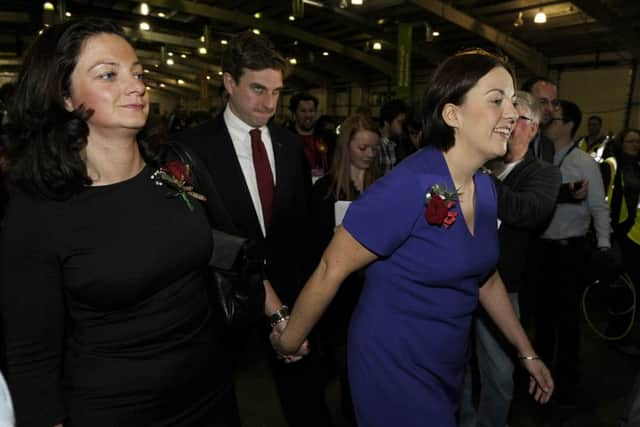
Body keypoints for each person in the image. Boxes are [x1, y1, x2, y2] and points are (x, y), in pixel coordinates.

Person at [271, 49, 554, 427]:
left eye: (513, 101)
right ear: (452, 114)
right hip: (392, 364)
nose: (513, 113)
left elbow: (485, 276)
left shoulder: (485, 189)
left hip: (445, 362)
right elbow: (330, 268)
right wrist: (290, 340)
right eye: (496, 100)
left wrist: (527, 353)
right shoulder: (407, 186)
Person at [0, 19, 241, 427]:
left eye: (138, 73)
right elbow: (31, 354)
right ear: (64, 96)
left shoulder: (166, 174)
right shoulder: (37, 210)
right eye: (109, 74)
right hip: (117, 409)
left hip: (211, 393)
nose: (136, 86)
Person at [172, 31, 330, 427]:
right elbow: (198, 238)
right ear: (229, 82)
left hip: (291, 300)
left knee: (306, 403)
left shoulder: (290, 146)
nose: (270, 104)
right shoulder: (190, 149)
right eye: (258, 89)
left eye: (277, 92)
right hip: (222, 305)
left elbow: (301, 231)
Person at [459, 91, 561, 427]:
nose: (502, 123)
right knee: (455, 367)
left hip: (504, 288)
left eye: (512, 119)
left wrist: (477, 176)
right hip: (460, 283)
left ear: (532, 128)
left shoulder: (543, 173)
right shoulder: (485, 165)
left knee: (499, 377)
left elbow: (528, 212)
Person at [306, 114, 382, 424]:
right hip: (338, 295)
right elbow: (312, 248)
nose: (369, 154)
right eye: (362, 147)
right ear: (345, 147)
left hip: (375, 292)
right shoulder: (324, 190)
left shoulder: (382, 187)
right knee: (343, 365)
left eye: (374, 149)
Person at [536, 99, 611, 407]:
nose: (546, 125)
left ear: (568, 125)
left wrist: (604, 245)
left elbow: (597, 206)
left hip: (569, 252)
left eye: (552, 120)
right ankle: (537, 377)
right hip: (539, 249)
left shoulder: (583, 162)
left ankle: (566, 384)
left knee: (566, 320)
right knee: (541, 320)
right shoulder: (539, 158)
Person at [601, 128, 640, 350]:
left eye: (638, 142)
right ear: (621, 143)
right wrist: (605, 235)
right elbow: (602, 201)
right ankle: (616, 334)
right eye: (631, 141)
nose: (635, 145)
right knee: (623, 286)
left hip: (633, 233)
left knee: (630, 285)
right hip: (617, 233)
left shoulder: (637, 167)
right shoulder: (611, 165)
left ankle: (622, 331)